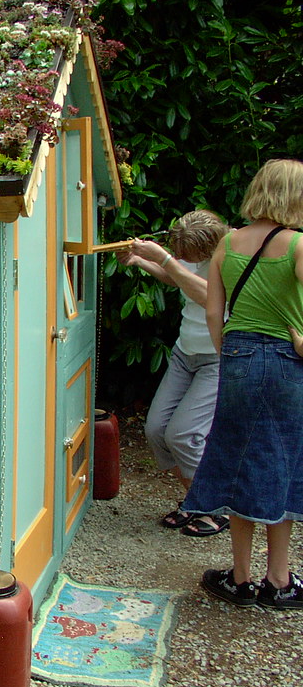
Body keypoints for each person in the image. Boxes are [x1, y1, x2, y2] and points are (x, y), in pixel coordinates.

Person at [182, 158, 303, 609]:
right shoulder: (296, 246)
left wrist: (228, 348)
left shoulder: (228, 242)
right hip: (286, 363)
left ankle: (240, 576)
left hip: (237, 356)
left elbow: (214, 312)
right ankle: (279, 578)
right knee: (283, 459)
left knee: (237, 458)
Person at [117, 210, 230, 537]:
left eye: (188, 256)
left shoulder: (232, 255)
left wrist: (165, 259)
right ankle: (194, 500)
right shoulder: (192, 253)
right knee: (155, 429)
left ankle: (215, 507)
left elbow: (210, 296)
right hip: (186, 352)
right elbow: (178, 276)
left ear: (209, 248)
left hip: (216, 356)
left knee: (183, 434)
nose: (183, 259)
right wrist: (142, 262)